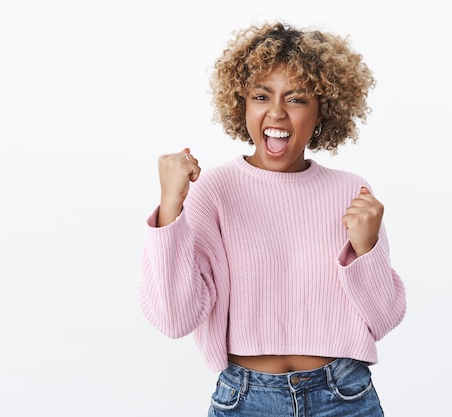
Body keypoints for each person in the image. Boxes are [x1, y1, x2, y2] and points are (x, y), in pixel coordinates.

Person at [139, 21, 406, 416]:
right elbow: (174, 318)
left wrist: (365, 250)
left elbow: (383, 319)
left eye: (296, 99)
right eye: (261, 96)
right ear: (242, 104)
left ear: (322, 112)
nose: (276, 112)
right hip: (247, 399)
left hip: (345, 397)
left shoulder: (352, 191)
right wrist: (170, 207)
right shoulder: (215, 190)